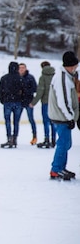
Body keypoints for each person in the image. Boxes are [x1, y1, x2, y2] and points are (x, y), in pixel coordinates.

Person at [48, 51, 79, 181]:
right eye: (75, 66)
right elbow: (63, 101)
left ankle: (61, 167)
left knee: (66, 143)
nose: (76, 68)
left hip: (63, 116)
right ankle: (56, 169)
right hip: (61, 117)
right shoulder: (62, 79)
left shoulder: (67, 77)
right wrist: (70, 117)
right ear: (70, 65)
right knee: (63, 143)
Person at [30, 61, 56, 148]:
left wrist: (33, 102)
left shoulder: (43, 77)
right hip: (55, 103)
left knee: (46, 121)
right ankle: (53, 140)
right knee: (53, 122)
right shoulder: (56, 76)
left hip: (45, 102)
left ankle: (47, 139)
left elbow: (40, 91)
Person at [0, 61, 23, 148]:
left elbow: (0, 90)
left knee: (7, 121)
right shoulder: (20, 78)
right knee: (16, 122)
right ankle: (15, 138)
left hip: (7, 101)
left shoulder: (4, 78)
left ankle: (9, 138)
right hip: (18, 102)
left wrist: (2, 100)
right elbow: (24, 90)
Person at [19, 63, 38, 145]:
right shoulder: (16, 77)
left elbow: (35, 88)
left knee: (31, 119)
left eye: (23, 68)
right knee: (16, 120)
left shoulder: (30, 77)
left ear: (26, 68)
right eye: (20, 68)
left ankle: (34, 136)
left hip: (28, 101)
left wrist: (25, 91)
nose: (22, 69)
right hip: (19, 102)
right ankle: (14, 137)